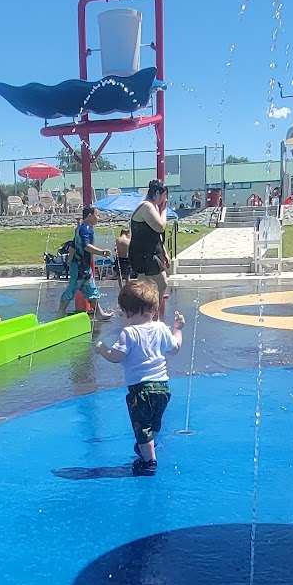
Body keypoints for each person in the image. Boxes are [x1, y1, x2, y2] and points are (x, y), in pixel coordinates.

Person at [95, 278, 184, 475]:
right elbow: (175, 348)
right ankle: (147, 446)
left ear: (127, 312)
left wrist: (102, 349)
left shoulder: (129, 333)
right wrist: (177, 329)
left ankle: (149, 461)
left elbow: (116, 357)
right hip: (163, 387)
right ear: (154, 308)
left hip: (140, 389)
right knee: (154, 423)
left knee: (141, 426)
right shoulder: (162, 328)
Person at [58, 205, 111, 323]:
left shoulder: (81, 228)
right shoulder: (85, 229)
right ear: (90, 215)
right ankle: (60, 313)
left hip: (83, 266)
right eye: (97, 215)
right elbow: (86, 246)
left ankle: (99, 313)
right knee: (72, 289)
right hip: (79, 267)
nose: (98, 218)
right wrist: (101, 252)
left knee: (91, 290)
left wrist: (69, 260)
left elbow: (73, 245)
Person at [128, 179, 171, 312]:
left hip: (147, 253)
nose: (165, 199)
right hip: (143, 254)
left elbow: (156, 236)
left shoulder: (152, 207)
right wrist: (164, 210)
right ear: (157, 193)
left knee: (144, 288)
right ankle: (150, 314)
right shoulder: (146, 206)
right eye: (164, 195)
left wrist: (164, 253)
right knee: (161, 284)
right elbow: (160, 227)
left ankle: (143, 313)